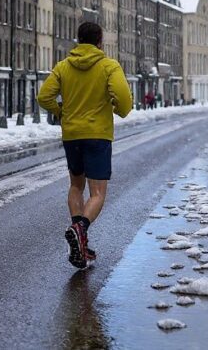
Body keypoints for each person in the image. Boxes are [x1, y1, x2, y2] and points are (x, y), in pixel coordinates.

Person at [37, 22, 133, 270]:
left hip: (72, 135)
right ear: (100, 41)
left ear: (78, 40)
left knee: (76, 186)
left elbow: (44, 96)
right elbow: (123, 99)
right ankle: (80, 229)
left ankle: (79, 240)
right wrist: (118, 109)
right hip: (98, 135)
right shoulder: (108, 66)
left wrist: (61, 112)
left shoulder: (63, 67)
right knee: (98, 193)